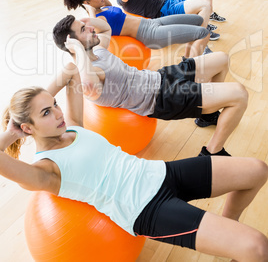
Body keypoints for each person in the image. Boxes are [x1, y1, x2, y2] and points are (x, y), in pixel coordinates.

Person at [1, 64, 268, 261]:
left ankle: (230, 228)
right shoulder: (45, 170)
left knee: (257, 170)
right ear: (26, 128)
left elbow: (70, 71)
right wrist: (13, 129)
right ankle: (237, 245)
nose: (58, 113)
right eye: (47, 113)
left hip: (161, 172)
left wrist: (36, 106)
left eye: (55, 104)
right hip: (147, 209)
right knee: (257, 246)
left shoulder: (71, 127)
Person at [52, 14, 249, 157]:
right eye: (83, 30)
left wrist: (86, 22)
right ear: (73, 44)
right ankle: (212, 152)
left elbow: (106, 29)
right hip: (163, 98)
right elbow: (88, 82)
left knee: (222, 59)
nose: (90, 29)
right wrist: (77, 49)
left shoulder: (97, 51)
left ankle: (208, 115)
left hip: (161, 77)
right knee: (239, 94)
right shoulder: (89, 73)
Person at [62, 0, 210, 57]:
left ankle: (189, 57)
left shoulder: (104, 9)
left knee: (197, 20)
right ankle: (193, 67)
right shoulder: (97, 20)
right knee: (203, 32)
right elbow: (96, 28)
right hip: (151, 35)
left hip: (153, 22)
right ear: (87, 3)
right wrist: (89, 10)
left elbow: (108, 3)